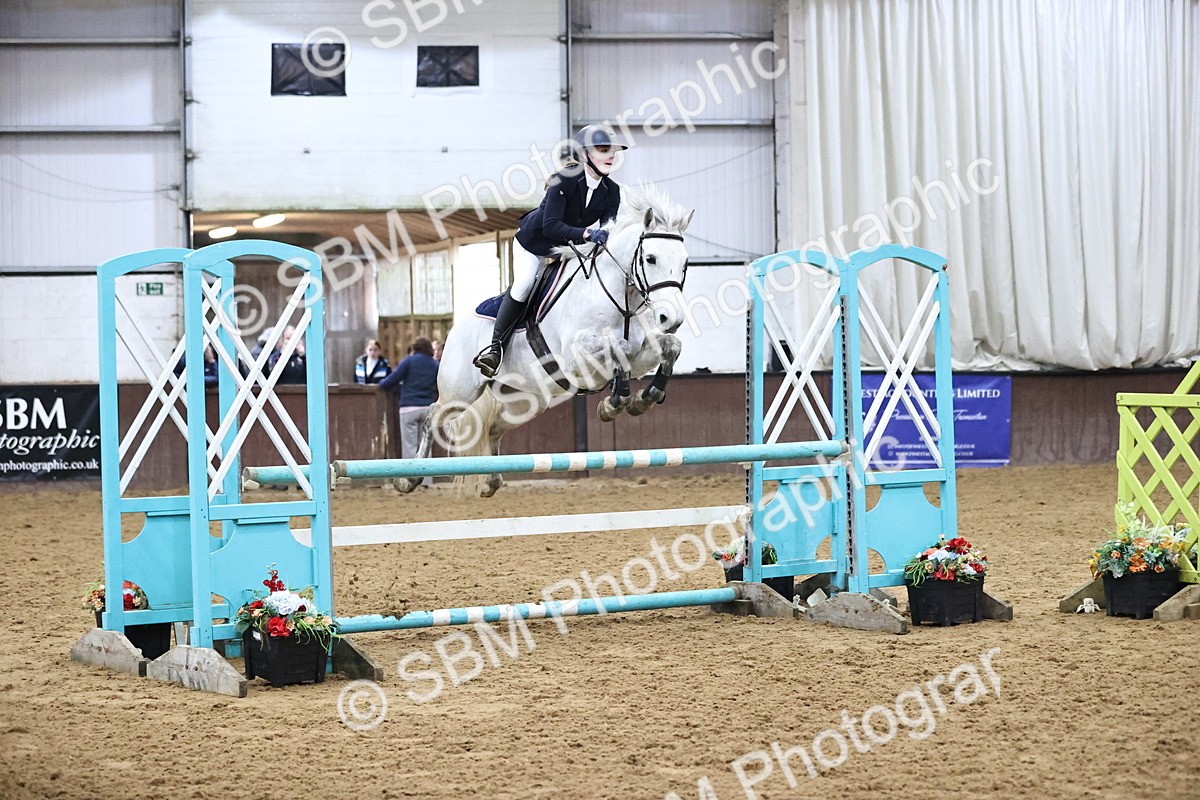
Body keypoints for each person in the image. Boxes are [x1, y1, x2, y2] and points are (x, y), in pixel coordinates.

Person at [473, 124, 626, 377]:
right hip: (535, 244)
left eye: (613, 151)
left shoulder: (613, 191)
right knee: (523, 285)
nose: (611, 156)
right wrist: (587, 234)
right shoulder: (562, 180)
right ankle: (495, 348)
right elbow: (551, 225)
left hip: (566, 248)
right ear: (584, 154)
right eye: (603, 150)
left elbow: (608, 229)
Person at [378, 337, 440, 485]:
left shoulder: (409, 361)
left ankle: (411, 479)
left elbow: (391, 380)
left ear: (415, 348)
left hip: (409, 408)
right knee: (425, 446)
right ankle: (426, 481)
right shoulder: (435, 364)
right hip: (428, 408)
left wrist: (381, 384)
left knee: (410, 446)